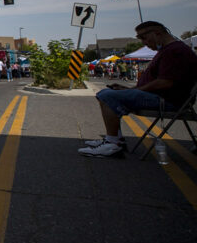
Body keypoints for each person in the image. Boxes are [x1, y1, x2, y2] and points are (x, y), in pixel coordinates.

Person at [80, 21, 197, 158]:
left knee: (107, 96)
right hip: (161, 96)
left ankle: (113, 144)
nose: (143, 42)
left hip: (167, 100)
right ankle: (115, 139)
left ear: (157, 33)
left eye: (144, 37)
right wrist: (131, 89)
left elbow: (165, 82)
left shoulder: (175, 51)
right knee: (107, 93)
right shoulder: (168, 50)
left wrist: (137, 90)